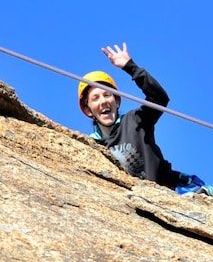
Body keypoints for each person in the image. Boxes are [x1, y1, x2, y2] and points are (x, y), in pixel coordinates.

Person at [78, 43, 205, 194]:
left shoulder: (136, 120)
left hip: (169, 189)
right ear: (88, 109)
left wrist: (130, 66)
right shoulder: (92, 146)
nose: (103, 101)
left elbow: (159, 98)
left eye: (107, 94)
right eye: (95, 98)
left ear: (117, 101)